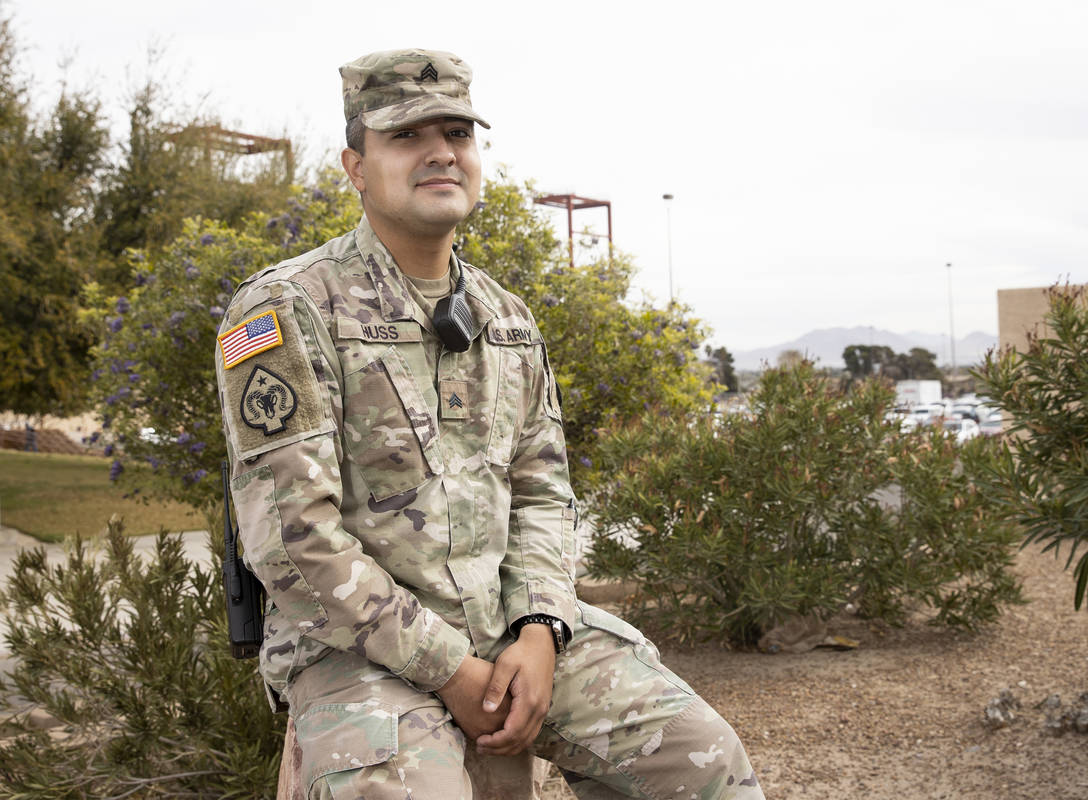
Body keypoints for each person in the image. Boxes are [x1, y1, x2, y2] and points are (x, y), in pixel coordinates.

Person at [215, 48, 762, 799]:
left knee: (703, 759)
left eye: (458, 134)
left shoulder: (505, 317)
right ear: (355, 166)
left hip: (510, 632)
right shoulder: (289, 309)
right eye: (406, 136)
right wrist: (449, 667)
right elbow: (295, 541)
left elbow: (542, 489)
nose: (441, 152)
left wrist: (540, 630)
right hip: (360, 650)